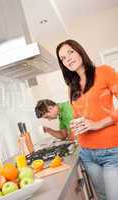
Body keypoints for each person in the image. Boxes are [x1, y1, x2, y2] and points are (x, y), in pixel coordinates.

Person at [56, 39, 118, 200]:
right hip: (87, 153)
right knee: (103, 197)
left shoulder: (104, 72)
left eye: (70, 52)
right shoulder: (72, 87)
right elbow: (79, 115)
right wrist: (75, 124)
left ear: (79, 51)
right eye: (62, 58)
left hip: (111, 150)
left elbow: (95, 120)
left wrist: (97, 124)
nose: (67, 58)